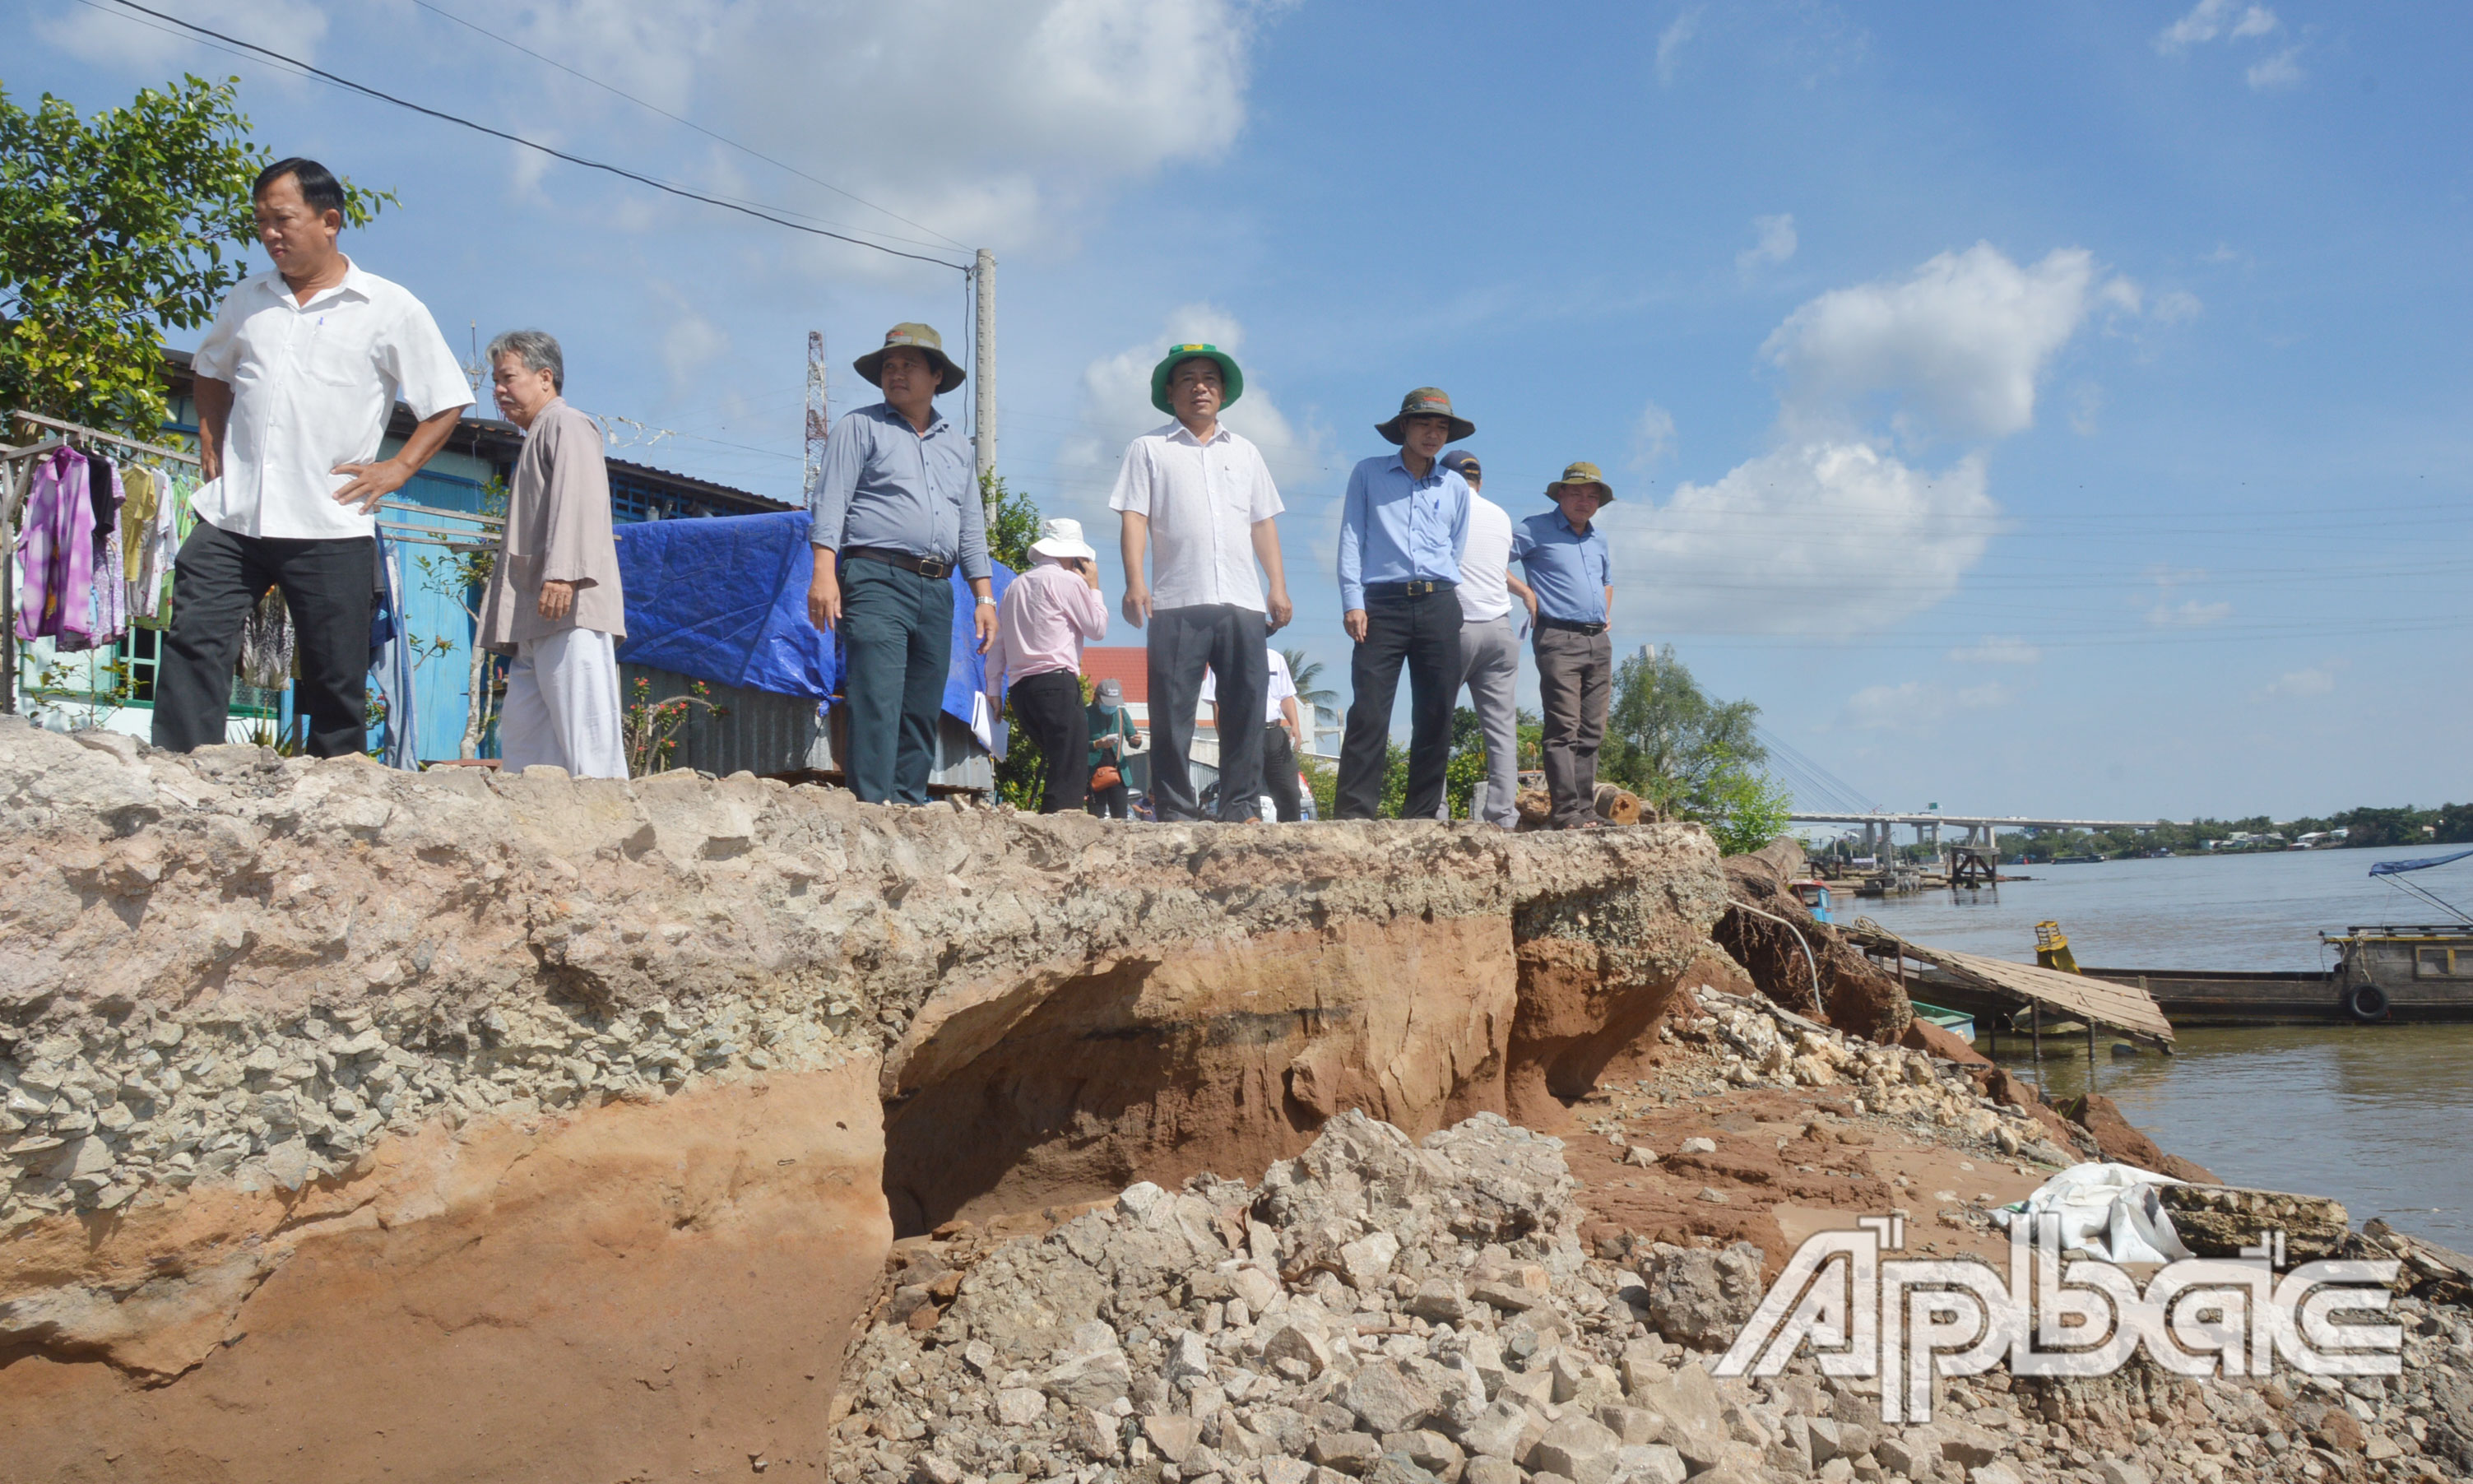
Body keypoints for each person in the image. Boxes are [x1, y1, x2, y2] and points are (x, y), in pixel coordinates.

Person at [155, 157, 472, 756]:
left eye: (283, 220)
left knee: (334, 677)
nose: (270, 234)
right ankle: (182, 774)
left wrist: (399, 467)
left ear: (330, 220)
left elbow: (446, 399)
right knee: (195, 639)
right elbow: (210, 370)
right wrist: (208, 433)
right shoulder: (246, 300)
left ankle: (334, 802)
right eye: (261, 223)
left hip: (328, 521)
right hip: (234, 515)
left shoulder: (389, 307)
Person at [806, 323, 995, 805]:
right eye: (889, 366)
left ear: (937, 377)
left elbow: (970, 524)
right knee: (877, 694)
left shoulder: (957, 445)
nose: (895, 373)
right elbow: (831, 502)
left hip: (937, 586)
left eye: (908, 365)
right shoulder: (860, 426)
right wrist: (823, 573)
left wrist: (984, 596)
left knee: (922, 701)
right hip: (874, 575)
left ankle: (907, 803)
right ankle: (871, 807)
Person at [1108, 342, 1292, 823]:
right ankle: (1174, 807)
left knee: (1246, 710)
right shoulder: (1148, 448)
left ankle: (1241, 805)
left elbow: (1262, 523)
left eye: (1209, 378)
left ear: (1223, 391)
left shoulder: (1246, 452)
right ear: (1170, 392)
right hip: (1176, 599)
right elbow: (1134, 517)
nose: (1200, 387)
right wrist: (1134, 581)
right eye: (1187, 379)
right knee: (1171, 712)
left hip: (1242, 599)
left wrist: (1277, 585)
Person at [472, 330, 628, 778]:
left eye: (508, 378)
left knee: (587, 736)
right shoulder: (540, 432)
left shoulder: (566, 423)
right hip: (535, 609)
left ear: (545, 377)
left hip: (569, 604)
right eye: (495, 382)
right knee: (527, 740)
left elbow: (578, 500)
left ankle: (610, 830)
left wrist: (563, 575)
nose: (499, 390)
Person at [1335, 389, 1473, 821]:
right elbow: (1351, 538)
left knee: (1436, 713)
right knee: (1370, 711)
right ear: (1404, 428)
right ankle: (1355, 813)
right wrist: (1353, 601)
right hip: (1381, 606)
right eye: (1424, 424)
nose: (1433, 434)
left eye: (1441, 427)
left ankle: (1422, 814)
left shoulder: (1454, 486)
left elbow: (1456, 548)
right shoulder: (1368, 474)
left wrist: (1440, 590)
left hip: (1439, 604)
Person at [1513, 462, 1617, 829]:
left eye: (1592, 496)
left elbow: (1607, 579)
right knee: (1564, 728)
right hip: (1558, 637)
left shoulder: (1598, 538)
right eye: (1576, 493)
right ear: (1560, 494)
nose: (1584, 501)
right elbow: (1490, 559)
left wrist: (1605, 611)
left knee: (1592, 730)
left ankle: (1585, 811)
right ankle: (1565, 812)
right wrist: (1525, 591)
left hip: (1597, 641)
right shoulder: (1533, 529)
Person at [986, 517, 1108, 814]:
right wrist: (1094, 587)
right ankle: (1060, 833)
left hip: (1020, 690)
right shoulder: (1068, 581)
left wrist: (994, 688)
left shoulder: (1014, 586)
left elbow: (999, 645)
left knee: (1058, 760)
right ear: (1074, 555)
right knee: (1070, 765)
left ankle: (1048, 823)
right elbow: (1098, 628)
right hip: (1056, 682)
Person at [1438, 450, 1532, 828]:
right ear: (1481, 482)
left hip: (1456, 627)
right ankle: (1503, 817)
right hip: (1500, 630)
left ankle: (1434, 812)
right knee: (1501, 729)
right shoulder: (1500, 515)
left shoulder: (1442, 508)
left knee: (1435, 724)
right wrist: (1524, 591)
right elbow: (1490, 564)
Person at [1201, 644, 1304, 822]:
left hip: (1274, 732)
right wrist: (1224, 737)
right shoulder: (1223, 659)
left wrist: (1295, 725)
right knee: (1248, 791)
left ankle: (1291, 833)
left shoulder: (1275, 658)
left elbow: (1286, 696)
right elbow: (1218, 702)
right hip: (1243, 734)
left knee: (1289, 790)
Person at [1086, 678, 1142, 819]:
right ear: (1097, 698)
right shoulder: (1086, 714)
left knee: (1120, 816)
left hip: (1118, 772)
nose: (1110, 707)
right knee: (1095, 816)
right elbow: (1076, 744)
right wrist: (1096, 744)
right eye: (1107, 703)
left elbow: (1132, 737)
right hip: (1093, 772)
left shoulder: (1121, 713)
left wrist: (1136, 740)